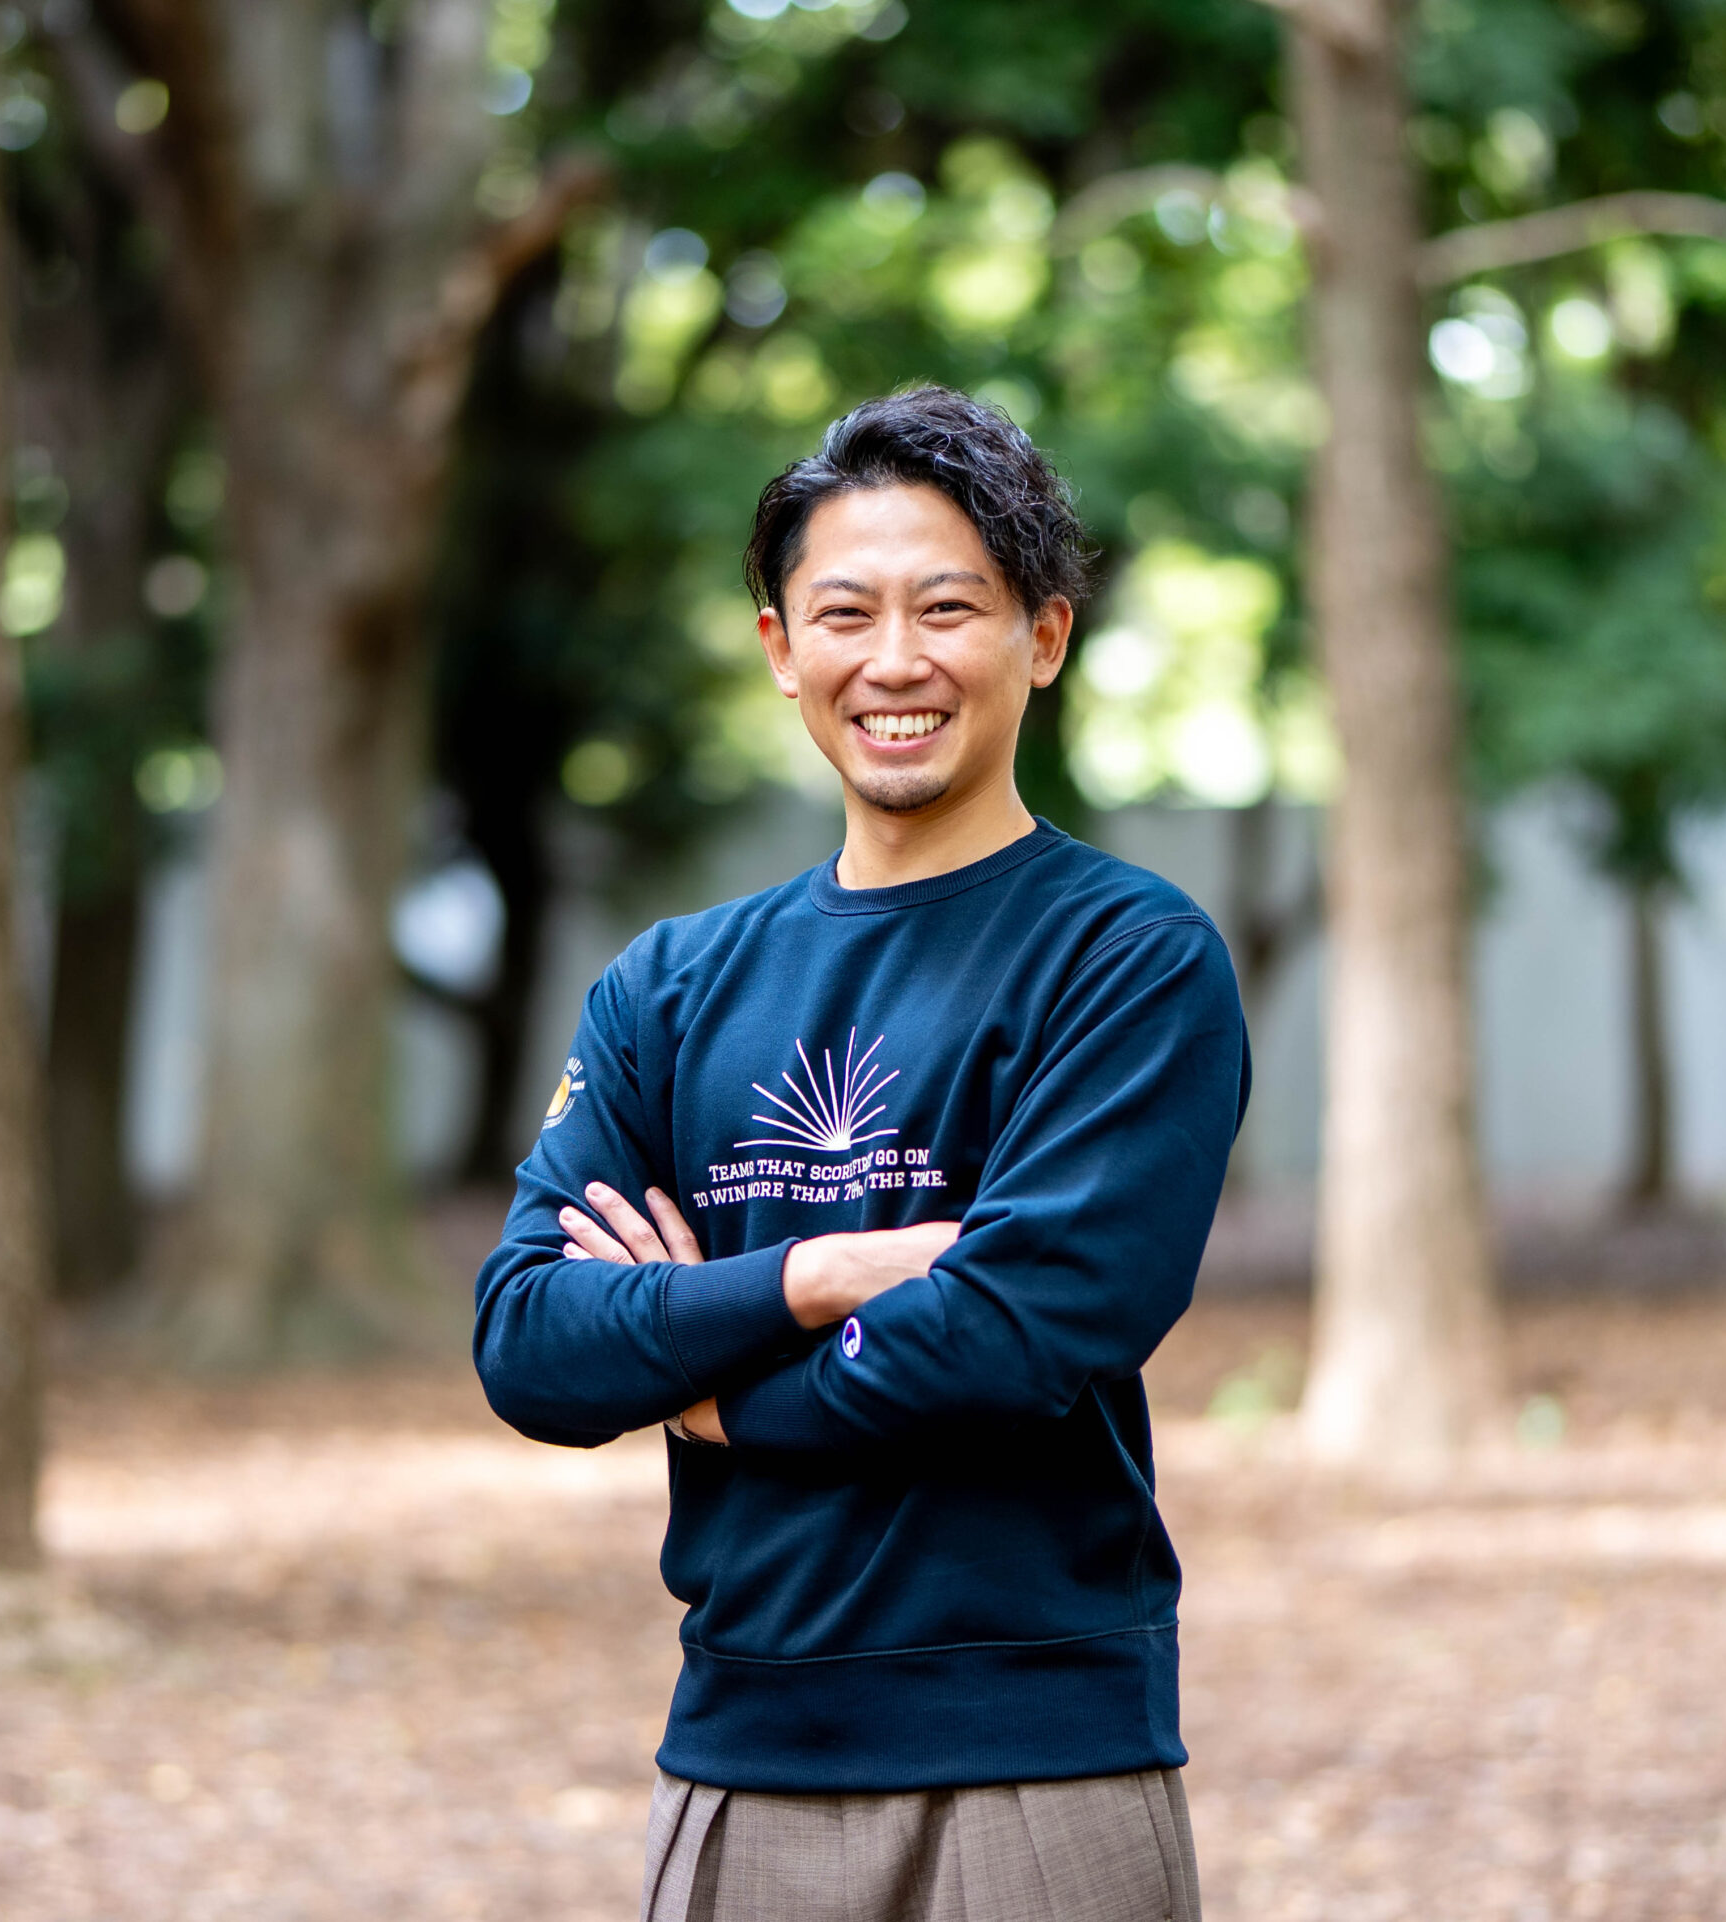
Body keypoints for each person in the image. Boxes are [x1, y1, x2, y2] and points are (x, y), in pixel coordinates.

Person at [474, 384, 1250, 1922]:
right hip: (737, 1756)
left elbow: (1015, 1330)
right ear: (781, 647)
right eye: (845, 612)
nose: (894, 660)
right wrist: (818, 1275)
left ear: (1043, 636)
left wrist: (705, 1385)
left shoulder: (1128, 957)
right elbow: (533, 1340)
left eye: (947, 608)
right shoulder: (670, 987)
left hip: (1039, 1766)